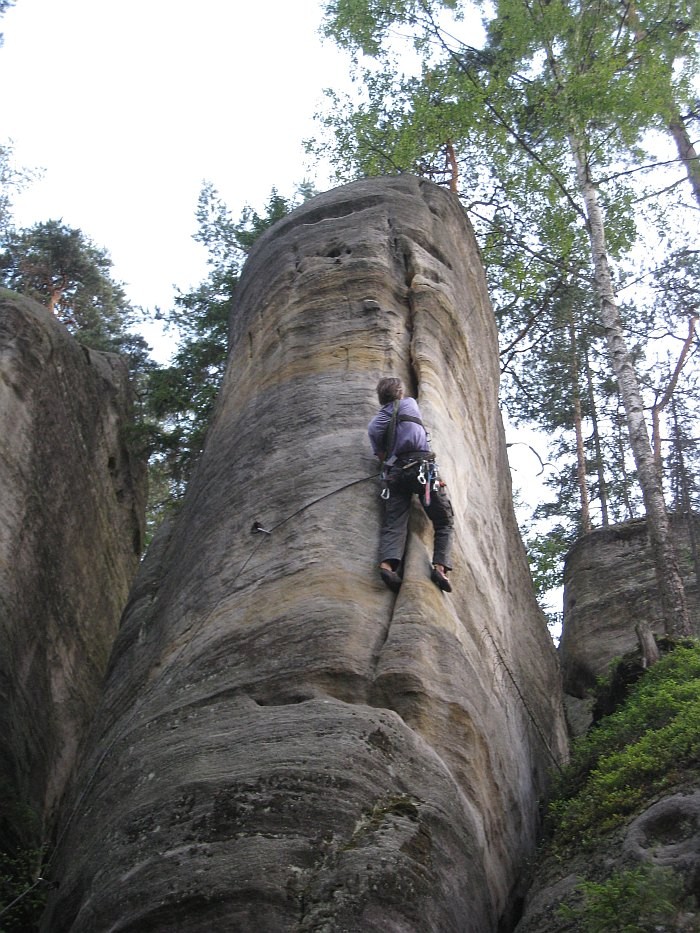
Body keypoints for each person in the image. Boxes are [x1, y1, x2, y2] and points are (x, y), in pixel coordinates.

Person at [367, 377, 454, 593]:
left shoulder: (374, 425)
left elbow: (380, 455)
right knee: (444, 520)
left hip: (395, 474)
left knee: (394, 522)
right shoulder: (411, 404)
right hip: (422, 468)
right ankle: (440, 568)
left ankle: (387, 566)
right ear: (399, 392)